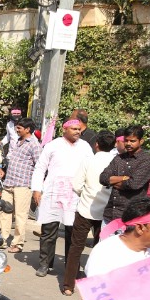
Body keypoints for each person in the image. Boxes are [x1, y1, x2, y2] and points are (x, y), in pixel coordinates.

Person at [30, 119, 94, 278]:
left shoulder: (85, 147)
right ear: (64, 130)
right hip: (53, 193)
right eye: (74, 129)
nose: (78, 132)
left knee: (73, 232)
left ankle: (71, 266)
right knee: (48, 231)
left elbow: (91, 168)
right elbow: (40, 168)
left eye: (79, 129)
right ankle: (45, 264)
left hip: (75, 195)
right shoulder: (53, 145)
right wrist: (37, 189)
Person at [64, 130, 118, 295]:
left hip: (86, 208)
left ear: (96, 145)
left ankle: (68, 286)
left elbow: (76, 184)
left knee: (76, 248)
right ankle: (95, 288)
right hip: (107, 212)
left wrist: (85, 193)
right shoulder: (117, 162)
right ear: (114, 145)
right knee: (101, 250)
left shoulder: (89, 160)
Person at [0, 117, 41, 254]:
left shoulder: (34, 144)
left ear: (28, 129)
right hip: (9, 182)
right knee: (4, 211)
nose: (16, 129)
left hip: (23, 184)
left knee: (21, 215)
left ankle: (17, 243)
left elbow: (40, 165)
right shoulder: (17, 141)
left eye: (20, 128)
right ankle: (2, 239)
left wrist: (37, 187)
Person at [100, 124, 150, 224]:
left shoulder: (146, 160)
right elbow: (103, 178)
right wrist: (124, 178)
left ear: (141, 141)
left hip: (131, 216)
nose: (128, 143)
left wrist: (113, 181)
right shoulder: (119, 158)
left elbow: (133, 184)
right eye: (126, 140)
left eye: (132, 141)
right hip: (111, 213)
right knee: (105, 240)